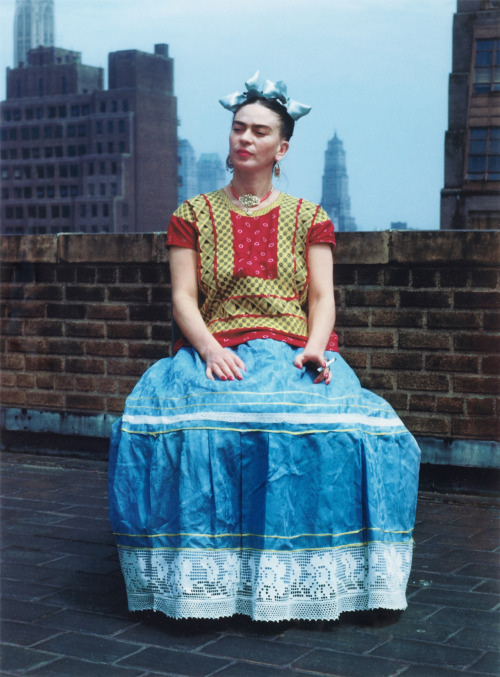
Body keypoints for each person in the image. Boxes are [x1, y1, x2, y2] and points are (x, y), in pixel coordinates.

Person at [108, 72, 420, 623]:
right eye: (238, 128)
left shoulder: (309, 217)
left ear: (283, 147)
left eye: (259, 131)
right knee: (198, 430)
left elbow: (322, 298)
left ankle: (304, 576)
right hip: (218, 346)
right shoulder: (193, 215)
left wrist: (317, 347)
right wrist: (207, 349)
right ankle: (211, 580)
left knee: (346, 433)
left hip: (296, 349)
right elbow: (183, 298)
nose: (244, 139)